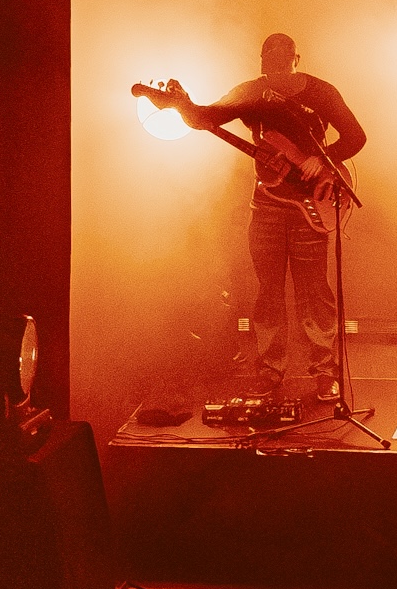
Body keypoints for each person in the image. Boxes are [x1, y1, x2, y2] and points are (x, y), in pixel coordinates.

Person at [154, 33, 368, 402]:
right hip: (267, 204)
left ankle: (324, 371)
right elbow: (206, 119)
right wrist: (182, 103)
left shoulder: (321, 93)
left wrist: (323, 158)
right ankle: (270, 370)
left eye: (284, 56)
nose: (277, 61)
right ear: (261, 60)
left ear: (297, 58)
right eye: (269, 55)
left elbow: (355, 136)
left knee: (314, 291)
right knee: (268, 291)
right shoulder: (251, 92)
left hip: (311, 203)